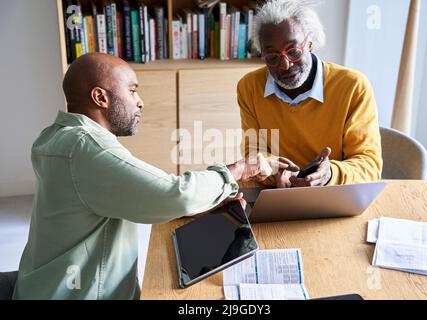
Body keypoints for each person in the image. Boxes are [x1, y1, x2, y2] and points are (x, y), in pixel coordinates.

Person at [13, 53, 292, 300]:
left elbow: (139, 194)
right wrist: (241, 169)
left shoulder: (58, 136)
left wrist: (200, 203)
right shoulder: (87, 148)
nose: (140, 102)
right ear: (100, 97)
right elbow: (173, 193)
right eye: (132, 91)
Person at [238, 0, 382, 188]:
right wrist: (276, 172)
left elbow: (369, 166)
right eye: (272, 57)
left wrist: (331, 174)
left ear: (310, 43)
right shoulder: (249, 87)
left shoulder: (353, 87)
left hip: (335, 193)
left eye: (294, 51)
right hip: (277, 192)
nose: (285, 65)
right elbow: (254, 152)